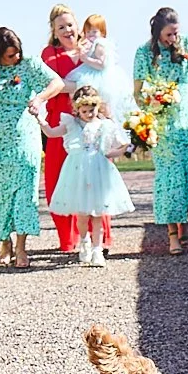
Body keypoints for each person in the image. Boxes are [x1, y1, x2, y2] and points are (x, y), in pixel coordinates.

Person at [0, 27, 69, 268]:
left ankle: (21, 247)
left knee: (24, 190)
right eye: (9, 55)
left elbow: (56, 82)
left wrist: (39, 98)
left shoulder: (29, 65)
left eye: (16, 53)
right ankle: (4, 242)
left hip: (24, 137)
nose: (15, 58)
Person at [133, 7, 188, 254]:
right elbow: (137, 91)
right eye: (169, 34)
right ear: (157, 31)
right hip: (162, 123)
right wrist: (149, 107)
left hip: (187, 118)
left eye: (176, 33)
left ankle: (184, 223)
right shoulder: (144, 53)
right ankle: (172, 235)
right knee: (170, 177)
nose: (173, 38)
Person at [41, 85, 134, 267]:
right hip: (78, 171)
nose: (89, 114)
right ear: (77, 110)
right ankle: (84, 241)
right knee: (82, 214)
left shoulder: (104, 125)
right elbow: (51, 133)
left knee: (98, 213)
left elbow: (114, 148)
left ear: (97, 107)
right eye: (84, 111)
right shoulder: (71, 125)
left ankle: (97, 249)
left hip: (98, 171)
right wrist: (40, 120)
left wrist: (127, 146)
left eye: (92, 110)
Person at [67, 13, 124, 255]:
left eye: (95, 31)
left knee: (100, 112)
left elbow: (101, 65)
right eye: (88, 31)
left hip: (99, 79)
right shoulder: (90, 44)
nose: (91, 35)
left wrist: (83, 58)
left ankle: (98, 244)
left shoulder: (101, 46)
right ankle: (85, 242)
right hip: (83, 159)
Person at [39, 6, 83, 256]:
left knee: (91, 178)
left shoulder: (90, 51)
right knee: (58, 178)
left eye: (70, 25)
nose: (68, 30)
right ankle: (67, 237)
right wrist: (83, 85)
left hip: (89, 120)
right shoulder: (50, 54)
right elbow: (53, 84)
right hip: (60, 121)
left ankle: (95, 235)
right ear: (54, 33)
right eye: (61, 27)